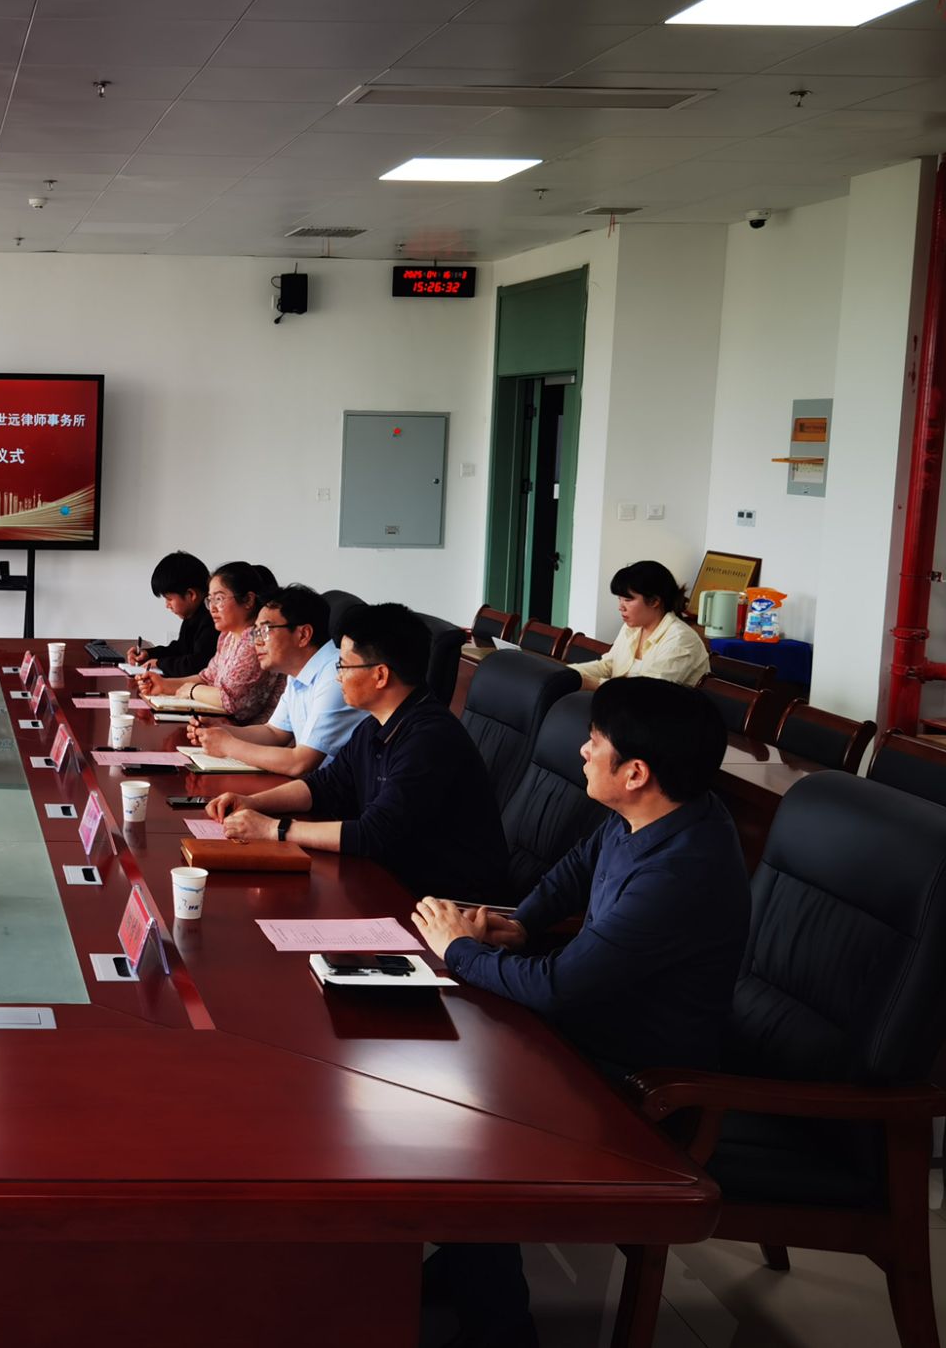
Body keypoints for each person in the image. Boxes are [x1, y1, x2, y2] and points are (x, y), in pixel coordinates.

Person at [410, 678, 749, 1346]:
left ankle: (502, 1326)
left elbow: (560, 988)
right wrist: (521, 924)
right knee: (440, 1059)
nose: (583, 750)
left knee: (463, 1111)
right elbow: (579, 865)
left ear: (636, 771)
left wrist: (458, 950)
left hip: (639, 1081)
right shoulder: (653, 814)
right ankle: (469, 1265)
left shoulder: (680, 871)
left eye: (595, 741)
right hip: (592, 1033)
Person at [207, 603, 508, 899]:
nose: (338, 677)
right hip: (390, 879)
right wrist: (253, 802)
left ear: (380, 675)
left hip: (448, 902)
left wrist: (275, 829)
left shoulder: (429, 740)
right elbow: (324, 786)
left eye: (344, 666)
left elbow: (373, 834)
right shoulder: (374, 725)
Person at [185, 583, 362, 778]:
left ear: (303, 635)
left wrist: (228, 746)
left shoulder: (336, 674)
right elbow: (274, 733)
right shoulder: (298, 673)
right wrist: (220, 731)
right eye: (255, 632)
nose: (257, 641)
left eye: (265, 630)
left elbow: (301, 763)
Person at [137, 561, 283, 724]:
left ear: (248, 600)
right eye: (210, 600)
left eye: (219, 599)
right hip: (225, 726)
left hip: (249, 732)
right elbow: (207, 677)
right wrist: (164, 685)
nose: (212, 608)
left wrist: (192, 690)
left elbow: (230, 700)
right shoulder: (227, 636)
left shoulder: (255, 641)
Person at [570, 560, 710, 690]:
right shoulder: (632, 627)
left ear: (654, 601)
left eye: (628, 600)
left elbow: (646, 691)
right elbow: (608, 665)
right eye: (619, 599)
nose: (620, 607)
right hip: (622, 703)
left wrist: (592, 683)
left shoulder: (681, 639)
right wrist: (569, 673)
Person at [124, 550, 217, 677]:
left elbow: (196, 665)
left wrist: (160, 664)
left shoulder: (212, 619)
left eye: (169, 599)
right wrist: (149, 654)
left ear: (191, 595)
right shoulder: (192, 615)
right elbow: (180, 649)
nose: (167, 605)